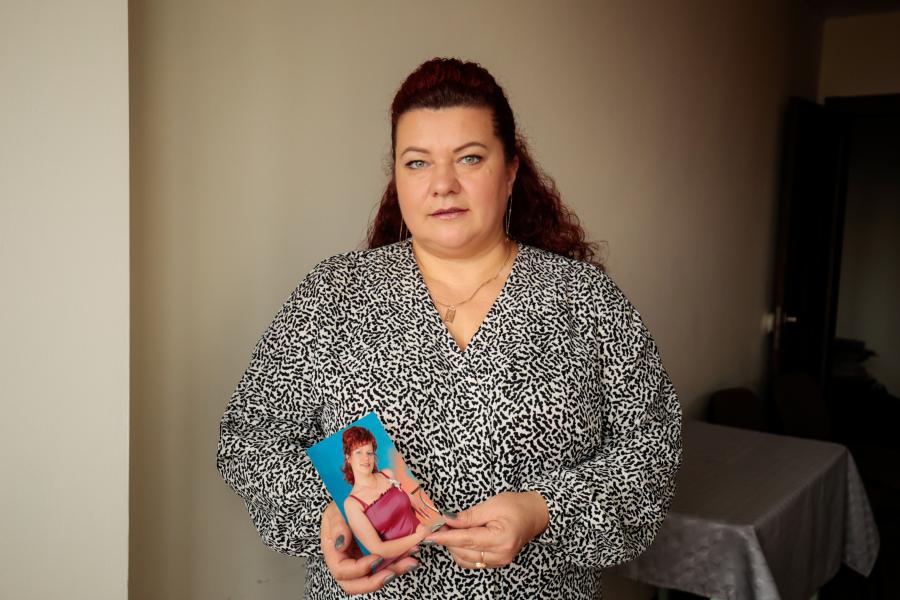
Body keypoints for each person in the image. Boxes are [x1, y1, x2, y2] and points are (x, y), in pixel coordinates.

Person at [217, 57, 682, 599]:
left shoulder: (586, 300)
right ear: (397, 174)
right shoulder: (334, 295)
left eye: (470, 158)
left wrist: (541, 510)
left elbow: (652, 450)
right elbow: (249, 438)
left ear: (510, 171)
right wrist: (329, 515)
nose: (442, 184)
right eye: (417, 163)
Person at [339, 426, 430, 562]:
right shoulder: (352, 504)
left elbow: (400, 498)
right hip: (402, 561)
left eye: (369, 453)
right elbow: (379, 549)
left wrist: (410, 498)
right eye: (359, 452)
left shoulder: (387, 474)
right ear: (348, 458)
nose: (366, 458)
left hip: (428, 542)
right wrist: (419, 536)